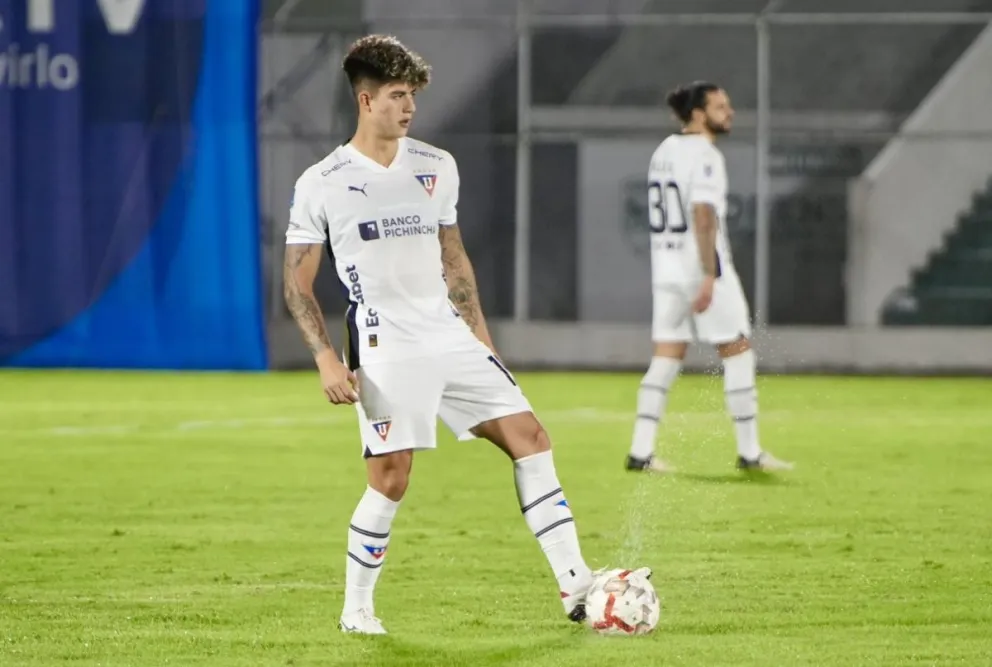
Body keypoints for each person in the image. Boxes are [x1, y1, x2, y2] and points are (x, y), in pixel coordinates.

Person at [283, 34, 635, 635]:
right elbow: (296, 282)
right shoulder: (322, 181)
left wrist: (483, 342)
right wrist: (324, 358)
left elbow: (454, 260)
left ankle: (577, 587)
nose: (410, 107)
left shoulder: (436, 166)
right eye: (398, 95)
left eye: (413, 95)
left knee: (532, 438)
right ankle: (356, 610)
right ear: (366, 101)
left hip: (449, 337)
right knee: (391, 479)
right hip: (385, 346)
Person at [625, 81, 793, 475]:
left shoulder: (664, 150)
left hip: (666, 270)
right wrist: (708, 275)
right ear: (699, 114)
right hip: (701, 268)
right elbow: (703, 216)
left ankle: (640, 451)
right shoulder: (705, 155)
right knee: (738, 352)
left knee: (666, 357)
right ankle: (750, 454)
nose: (729, 112)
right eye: (720, 106)